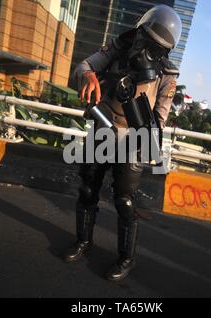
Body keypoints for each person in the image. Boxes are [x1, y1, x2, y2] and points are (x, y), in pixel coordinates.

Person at [64, 4, 182, 281]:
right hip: (105, 125)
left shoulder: (168, 73)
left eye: (157, 47)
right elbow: (85, 65)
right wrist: (89, 75)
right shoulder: (118, 47)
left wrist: (145, 139)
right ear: (140, 31)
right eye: (147, 41)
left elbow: (160, 118)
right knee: (88, 188)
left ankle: (126, 259)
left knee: (124, 201)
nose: (147, 51)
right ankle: (83, 242)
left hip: (135, 136)